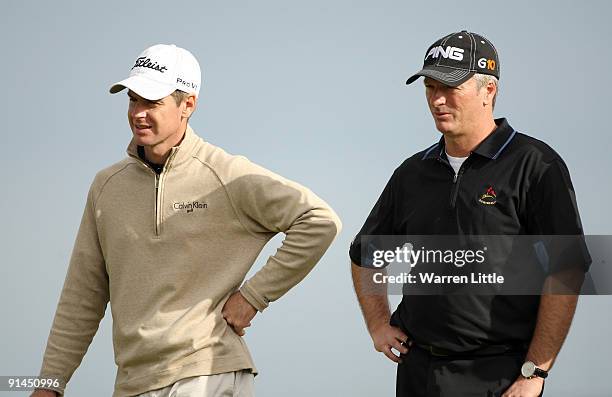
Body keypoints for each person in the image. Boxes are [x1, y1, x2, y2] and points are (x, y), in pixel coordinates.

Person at [33, 43, 341, 397]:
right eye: (133, 99)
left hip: (207, 373)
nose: (138, 113)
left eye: (152, 102)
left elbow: (319, 220)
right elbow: (82, 294)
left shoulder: (226, 174)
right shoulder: (106, 187)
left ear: (188, 104)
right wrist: (50, 383)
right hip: (134, 382)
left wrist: (253, 297)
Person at [349, 31, 589, 397]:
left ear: (488, 91)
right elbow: (366, 254)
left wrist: (535, 371)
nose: (437, 100)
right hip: (418, 372)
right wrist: (378, 324)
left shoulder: (536, 166)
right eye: (430, 87)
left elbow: (566, 270)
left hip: (499, 375)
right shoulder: (412, 172)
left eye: (451, 88)